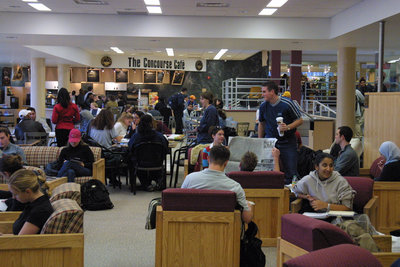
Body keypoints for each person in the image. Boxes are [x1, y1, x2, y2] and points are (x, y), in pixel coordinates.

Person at [182, 145, 253, 223]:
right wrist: (248, 206)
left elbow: (180, 203)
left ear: (208, 159)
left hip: (192, 227)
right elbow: (247, 219)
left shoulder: (190, 179)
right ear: (226, 163)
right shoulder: (235, 187)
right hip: (224, 231)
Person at [258, 81, 303, 184]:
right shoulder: (263, 106)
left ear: (272, 92)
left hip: (287, 142)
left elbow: (299, 120)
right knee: (268, 170)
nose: (262, 94)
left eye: (264, 91)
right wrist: (260, 141)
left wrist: (287, 127)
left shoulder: (287, 103)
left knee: (291, 171)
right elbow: (261, 124)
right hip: (271, 142)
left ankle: (290, 194)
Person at [128, 115, 168, 191]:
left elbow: (130, 148)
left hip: (140, 163)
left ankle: (144, 183)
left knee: (130, 159)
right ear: (151, 123)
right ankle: (156, 180)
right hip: (157, 163)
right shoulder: (159, 136)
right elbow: (166, 148)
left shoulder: (136, 136)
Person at [8, 169, 53, 235]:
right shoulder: (37, 203)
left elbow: (20, 241)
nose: (13, 197)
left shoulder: (39, 211)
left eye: (15, 194)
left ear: (28, 191)